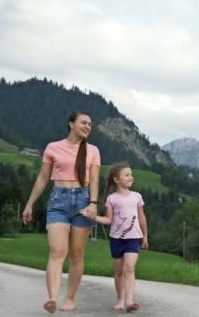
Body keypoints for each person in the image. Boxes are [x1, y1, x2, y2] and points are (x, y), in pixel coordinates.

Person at [22, 111, 101, 313]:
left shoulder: (92, 150)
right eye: (84, 122)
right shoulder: (53, 147)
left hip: (83, 201)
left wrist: (93, 203)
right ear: (71, 124)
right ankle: (53, 298)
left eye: (90, 124)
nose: (88, 126)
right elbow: (42, 178)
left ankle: (70, 298)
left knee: (76, 254)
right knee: (57, 252)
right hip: (58, 201)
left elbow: (94, 179)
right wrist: (30, 203)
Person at [85, 163, 148, 313]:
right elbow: (109, 220)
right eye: (126, 175)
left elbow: (142, 217)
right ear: (116, 179)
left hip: (133, 238)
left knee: (129, 268)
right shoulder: (111, 199)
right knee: (119, 271)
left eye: (131, 174)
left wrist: (145, 235)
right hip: (116, 239)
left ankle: (130, 300)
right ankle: (120, 299)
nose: (130, 177)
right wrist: (94, 217)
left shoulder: (137, 197)